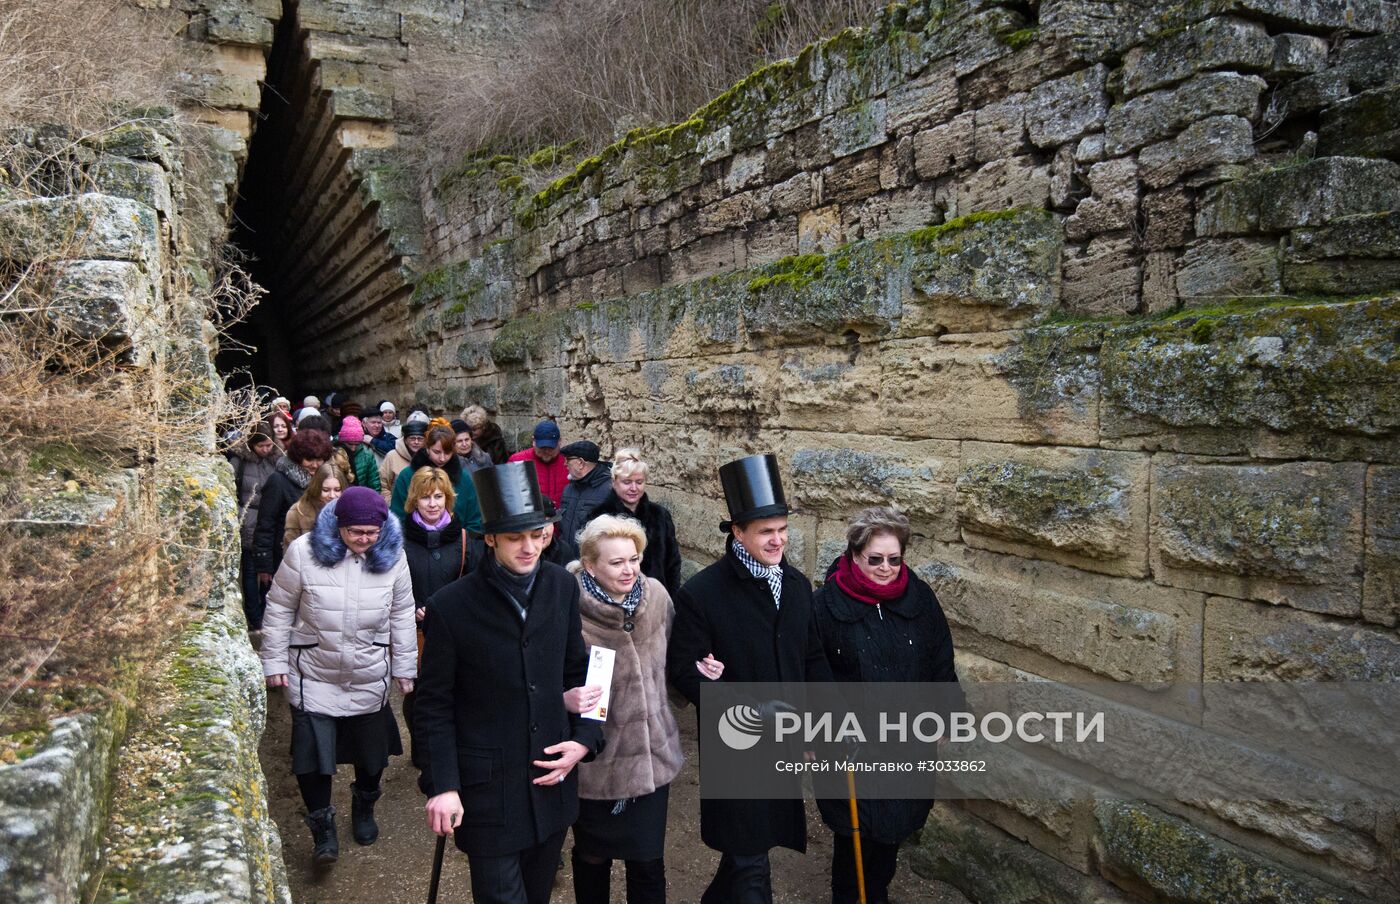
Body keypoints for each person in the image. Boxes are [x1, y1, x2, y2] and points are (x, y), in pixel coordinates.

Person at [414, 463, 605, 904]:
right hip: (488, 794)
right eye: (515, 537)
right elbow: (433, 706)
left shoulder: (561, 585)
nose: (528, 547)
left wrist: (586, 739)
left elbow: (580, 671)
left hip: (550, 782)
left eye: (536, 534)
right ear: (490, 539)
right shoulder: (451, 606)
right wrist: (443, 785)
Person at [667, 454, 832, 904]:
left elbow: (812, 658)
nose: (777, 540)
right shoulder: (702, 594)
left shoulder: (797, 585)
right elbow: (683, 670)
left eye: (782, 529)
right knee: (750, 859)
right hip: (735, 745)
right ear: (738, 532)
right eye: (766, 531)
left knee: (749, 849)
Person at [812, 506, 961, 904]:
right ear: (854, 555)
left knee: (892, 835)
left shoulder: (920, 598)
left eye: (894, 559)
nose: (885, 568)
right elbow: (811, 674)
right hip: (850, 747)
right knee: (854, 843)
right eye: (875, 559)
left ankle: (876, 892)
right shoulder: (825, 605)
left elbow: (939, 659)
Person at [260, 487, 416, 864]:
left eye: (371, 533)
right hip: (313, 670)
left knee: (371, 755)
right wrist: (274, 662)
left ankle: (364, 807)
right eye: (355, 532)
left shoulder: (394, 556)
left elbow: (401, 612)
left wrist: (405, 667)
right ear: (338, 527)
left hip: (367, 670)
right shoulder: (303, 552)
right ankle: (322, 828)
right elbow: (280, 608)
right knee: (313, 758)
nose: (363, 540)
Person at [564, 515, 688, 904]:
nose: (629, 569)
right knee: (592, 856)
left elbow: (676, 659)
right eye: (616, 562)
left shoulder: (657, 597)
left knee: (648, 862)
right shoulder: (567, 606)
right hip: (598, 761)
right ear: (590, 565)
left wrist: (701, 671)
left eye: (633, 559)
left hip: (652, 755)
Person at [400, 466, 485, 735]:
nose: (433, 504)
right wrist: (411, 609)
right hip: (415, 631)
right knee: (417, 694)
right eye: (426, 497)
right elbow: (390, 587)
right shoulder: (399, 539)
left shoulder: (463, 539)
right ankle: (420, 745)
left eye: (438, 496)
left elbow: (475, 585)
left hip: (454, 629)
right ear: (415, 499)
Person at [585, 449, 681, 597]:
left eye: (639, 482)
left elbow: (673, 563)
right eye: (627, 482)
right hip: (614, 601)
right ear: (614, 482)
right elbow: (591, 565)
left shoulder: (660, 515)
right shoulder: (598, 517)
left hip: (656, 600)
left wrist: (671, 599)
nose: (634, 488)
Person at [254, 429, 331, 592]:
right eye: (309, 459)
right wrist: (264, 565)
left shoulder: (323, 480)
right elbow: (265, 524)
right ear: (298, 458)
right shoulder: (278, 481)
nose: (315, 465)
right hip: (283, 554)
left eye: (319, 460)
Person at [388, 423, 484, 533]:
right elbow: (398, 518)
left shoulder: (464, 478)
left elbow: (474, 520)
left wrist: (464, 543)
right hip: (415, 544)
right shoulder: (407, 476)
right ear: (427, 448)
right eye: (437, 452)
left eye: (447, 452)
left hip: (456, 545)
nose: (442, 458)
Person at [230, 425, 279, 633]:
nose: (266, 449)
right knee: (250, 570)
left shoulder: (276, 459)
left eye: (269, 445)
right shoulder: (239, 462)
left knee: (270, 568)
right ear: (252, 444)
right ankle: (255, 618)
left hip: (271, 517)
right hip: (249, 517)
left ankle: (268, 613)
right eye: (262, 446)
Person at [555, 441, 612, 561]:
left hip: (592, 564)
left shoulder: (609, 490)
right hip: (566, 563)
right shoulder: (569, 489)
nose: (565, 464)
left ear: (580, 463)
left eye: (568, 459)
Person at [282, 462, 347, 549]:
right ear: (317, 488)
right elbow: (290, 552)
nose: (332, 495)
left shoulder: (349, 510)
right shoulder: (298, 511)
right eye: (326, 490)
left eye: (337, 490)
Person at [508, 420, 567, 506]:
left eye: (551, 448)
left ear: (559, 442)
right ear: (533, 441)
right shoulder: (518, 461)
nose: (546, 451)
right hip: (531, 517)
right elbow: (508, 494)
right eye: (542, 448)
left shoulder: (568, 462)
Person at [378, 418, 427, 502]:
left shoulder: (429, 457)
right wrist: (391, 505)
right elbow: (383, 485)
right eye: (412, 438)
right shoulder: (392, 456)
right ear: (405, 440)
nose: (416, 442)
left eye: (420, 439)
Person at [334, 416, 381, 491]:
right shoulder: (333, 452)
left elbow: (374, 483)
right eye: (350, 444)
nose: (353, 448)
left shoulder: (367, 455)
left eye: (357, 444)